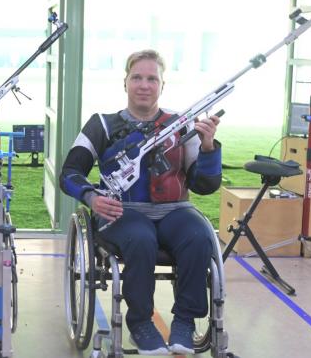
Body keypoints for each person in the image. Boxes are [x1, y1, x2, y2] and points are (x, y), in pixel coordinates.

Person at [60, 49, 221, 356]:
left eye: (152, 78)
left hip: (175, 211)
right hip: (123, 212)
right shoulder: (102, 125)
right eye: (137, 77)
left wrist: (209, 146)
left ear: (162, 85)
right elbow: (69, 173)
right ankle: (140, 324)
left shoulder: (182, 125)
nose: (144, 85)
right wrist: (92, 198)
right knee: (141, 237)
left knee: (200, 236)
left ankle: (185, 322)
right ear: (125, 83)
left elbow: (204, 185)